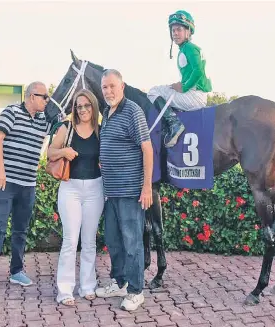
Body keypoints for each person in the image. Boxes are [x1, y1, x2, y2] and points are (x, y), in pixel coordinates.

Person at [0, 82, 51, 297]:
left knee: (21, 230)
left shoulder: (43, 119)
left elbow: (61, 127)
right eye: (43, 96)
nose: (46, 100)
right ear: (31, 96)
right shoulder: (12, 112)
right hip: (6, 183)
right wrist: (1, 170)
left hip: (28, 184)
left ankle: (16, 271)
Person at [95, 69, 153, 311]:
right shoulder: (107, 112)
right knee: (114, 241)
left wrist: (147, 186)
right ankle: (119, 282)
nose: (108, 91)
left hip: (130, 191)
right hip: (111, 192)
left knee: (132, 243)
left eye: (112, 86)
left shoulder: (132, 111)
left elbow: (147, 149)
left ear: (122, 86)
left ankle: (136, 291)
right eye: (105, 87)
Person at [47, 89, 104, 306]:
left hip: (95, 189)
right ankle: (65, 291)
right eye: (79, 106)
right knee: (70, 241)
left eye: (87, 105)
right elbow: (50, 153)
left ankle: (88, 286)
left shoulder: (101, 129)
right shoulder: (66, 128)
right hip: (70, 188)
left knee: (89, 241)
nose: (83, 110)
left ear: (93, 106)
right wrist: (64, 152)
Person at [147, 10, 213, 148]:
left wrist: (184, 86)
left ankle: (174, 124)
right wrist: (181, 84)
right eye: (173, 30)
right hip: (195, 93)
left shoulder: (189, 48)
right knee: (167, 88)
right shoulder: (187, 48)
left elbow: (198, 71)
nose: (175, 33)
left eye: (179, 30)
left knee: (153, 91)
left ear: (188, 31)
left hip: (195, 96)